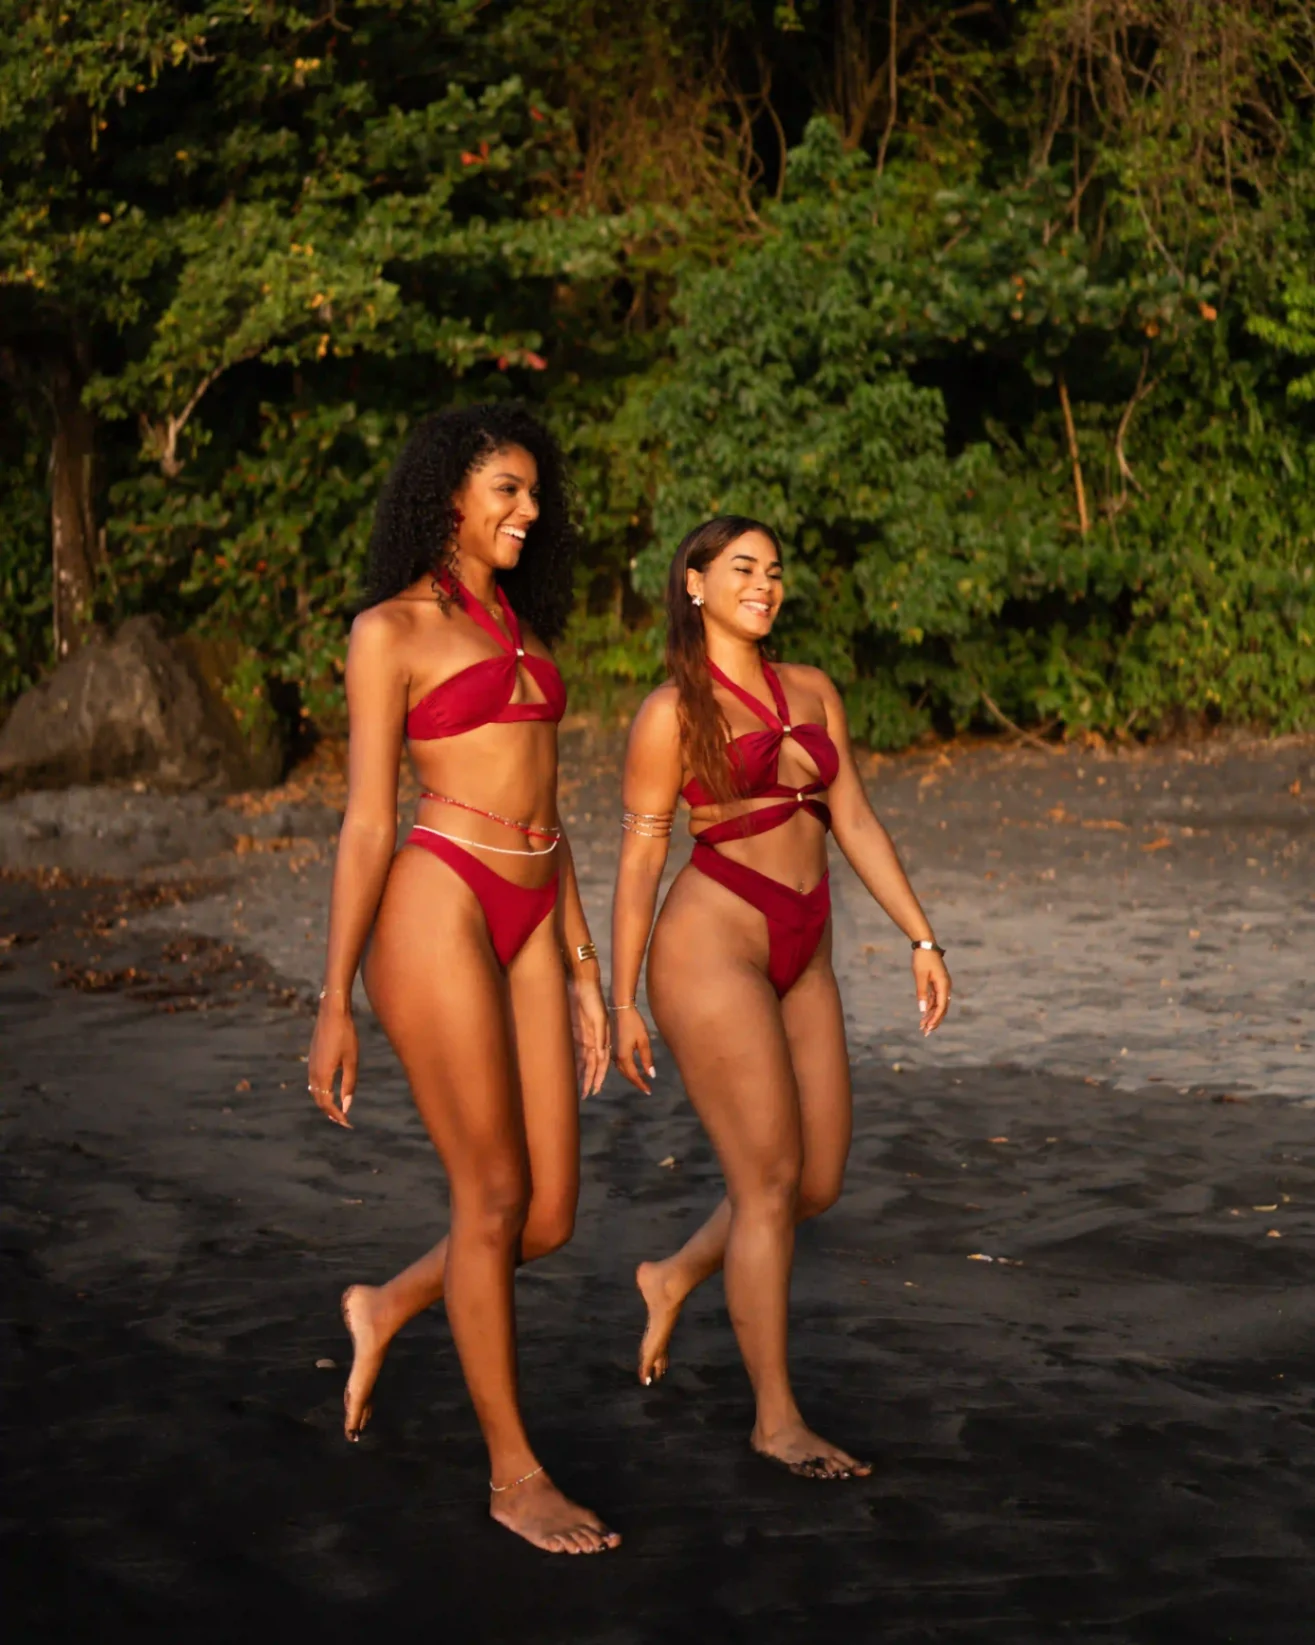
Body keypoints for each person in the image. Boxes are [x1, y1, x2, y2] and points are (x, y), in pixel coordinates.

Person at [307, 402, 619, 1554]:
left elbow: (550, 809)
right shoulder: (389, 631)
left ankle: (385, 1304)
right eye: (507, 491)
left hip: (535, 907)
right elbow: (365, 824)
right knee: (487, 1196)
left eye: (536, 493)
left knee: (545, 1213)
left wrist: (585, 969)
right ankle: (512, 1475)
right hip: (437, 897)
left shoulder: (530, 634)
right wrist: (333, 997)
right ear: (448, 495)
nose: (530, 512)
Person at [609, 515, 952, 1480]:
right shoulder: (668, 713)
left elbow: (854, 817)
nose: (765, 584)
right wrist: (622, 995)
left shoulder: (812, 692)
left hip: (808, 947)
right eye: (742, 568)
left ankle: (672, 1272)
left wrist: (920, 936)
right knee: (764, 1182)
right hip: (711, 942)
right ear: (693, 583)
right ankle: (775, 1419)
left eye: (774, 571)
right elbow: (641, 860)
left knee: (817, 1179)